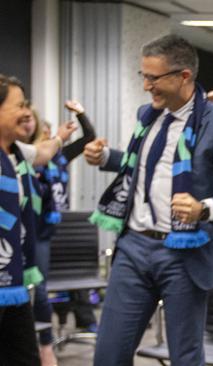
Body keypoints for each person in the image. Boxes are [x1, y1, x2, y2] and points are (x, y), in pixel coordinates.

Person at [82, 34, 213, 365]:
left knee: (185, 357)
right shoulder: (148, 115)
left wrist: (205, 208)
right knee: (108, 354)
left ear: (183, 76)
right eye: (143, 76)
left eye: (153, 77)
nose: (147, 85)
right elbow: (149, 166)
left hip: (183, 252)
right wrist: (106, 157)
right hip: (133, 247)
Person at [0, 75, 75, 366]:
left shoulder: (16, 152)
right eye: (18, 105)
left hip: (12, 282)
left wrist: (60, 138)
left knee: (24, 356)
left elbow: (43, 152)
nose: (26, 112)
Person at [22, 100, 96, 366]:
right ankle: (37, 342)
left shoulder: (60, 156)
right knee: (33, 290)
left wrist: (80, 113)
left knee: (43, 288)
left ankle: (47, 346)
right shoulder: (25, 154)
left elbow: (89, 136)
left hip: (48, 229)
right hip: (24, 228)